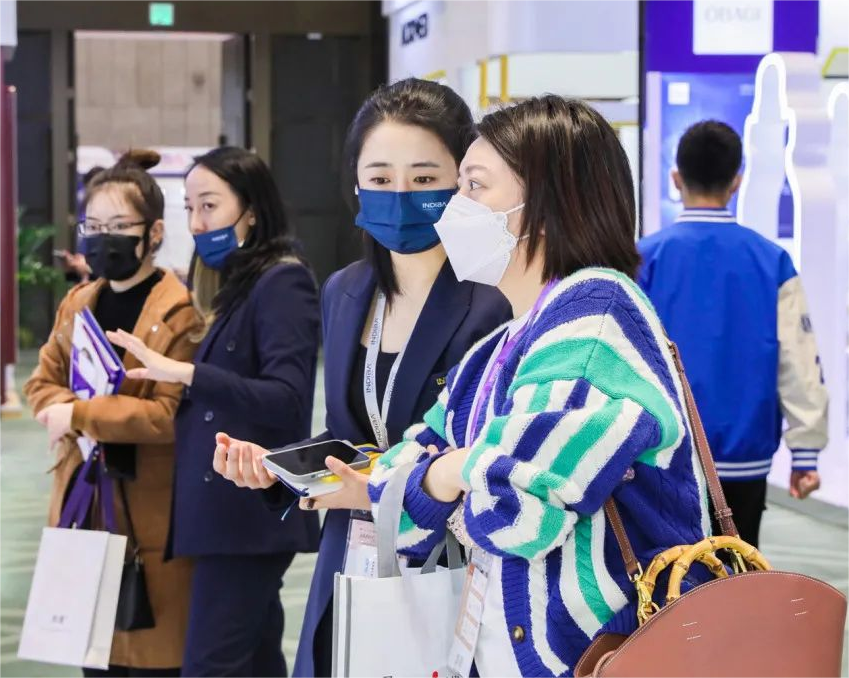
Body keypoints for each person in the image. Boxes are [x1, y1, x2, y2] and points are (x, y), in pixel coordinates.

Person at [366, 96, 714, 678]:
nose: (455, 207)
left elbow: (516, 515)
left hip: (598, 658)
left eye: (475, 186)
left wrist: (450, 473)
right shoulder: (499, 346)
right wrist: (462, 470)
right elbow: (392, 493)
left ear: (548, 207)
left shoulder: (593, 315)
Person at [211, 78, 512, 678]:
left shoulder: (497, 297)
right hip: (351, 559)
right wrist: (280, 470)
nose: (400, 196)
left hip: (454, 567)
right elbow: (352, 434)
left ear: (463, 180)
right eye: (380, 178)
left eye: (424, 178)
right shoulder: (346, 290)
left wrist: (381, 489)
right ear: (356, 183)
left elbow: (495, 458)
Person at [108, 147, 321, 678]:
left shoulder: (283, 282)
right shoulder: (235, 284)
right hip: (224, 513)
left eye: (209, 205)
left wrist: (187, 374)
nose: (198, 222)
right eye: (190, 208)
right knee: (255, 661)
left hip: (247, 512)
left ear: (251, 210)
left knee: (210, 666)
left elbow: (288, 399)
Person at [24, 149, 202, 677]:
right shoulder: (78, 303)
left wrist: (78, 413)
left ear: (153, 233)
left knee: (153, 653)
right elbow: (41, 383)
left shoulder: (182, 311)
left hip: (151, 502)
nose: (104, 239)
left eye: (119, 226)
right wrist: (65, 409)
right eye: (94, 226)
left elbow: (166, 415)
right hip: (85, 500)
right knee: (93, 651)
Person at [637, 120, 828, 547]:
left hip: (663, 456)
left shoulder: (642, 259)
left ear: (676, 179)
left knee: (667, 576)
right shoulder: (772, 261)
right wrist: (805, 452)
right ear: (737, 182)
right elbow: (799, 361)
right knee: (740, 575)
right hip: (745, 460)